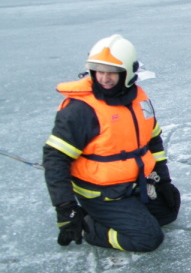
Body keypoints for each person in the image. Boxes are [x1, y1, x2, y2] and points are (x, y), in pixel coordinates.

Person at [43, 34, 181, 252]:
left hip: (134, 181)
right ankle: (91, 226)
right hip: (102, 191)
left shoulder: (139, 100)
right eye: (99, 71)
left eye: (112, 73)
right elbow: (55, 159)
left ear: (128, 73)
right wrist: (66, 209)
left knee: (168, 212)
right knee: (148, 239)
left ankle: (129, 210)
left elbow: (153, 141)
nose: (104, 78)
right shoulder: (81, 109)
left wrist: (163, 180)